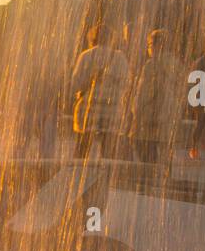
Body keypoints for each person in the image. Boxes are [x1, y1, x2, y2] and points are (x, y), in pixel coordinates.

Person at [68, 23, 131, 159]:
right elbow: (126, 83)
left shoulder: (86, 56)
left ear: (93, 37)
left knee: (82, 148)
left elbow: (76, 82)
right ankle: (107, 178)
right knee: (109, 151)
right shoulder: (120, 57)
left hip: (90, 108)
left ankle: (78, 176)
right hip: (111, 108)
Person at [126, 29, 184, 169]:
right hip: (169, 119)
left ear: (157, 46)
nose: (149, 48)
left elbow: (144, 94)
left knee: (146, 158)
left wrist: (135, 111)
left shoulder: (150, 66)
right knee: (165, 159)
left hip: (149, 122)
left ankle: (149, 185)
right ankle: (164, 184)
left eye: (150, 45)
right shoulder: (177, 65)